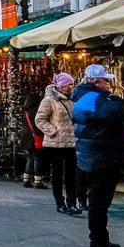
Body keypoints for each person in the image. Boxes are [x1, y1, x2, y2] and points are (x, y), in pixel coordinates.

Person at [71, 63, 124, 247]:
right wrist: (118, 101)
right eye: (105, 81)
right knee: (99, 201)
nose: (107, 85)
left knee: (99, 200)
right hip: (101, 157)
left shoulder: (84, 97)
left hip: (95, 155)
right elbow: (117, 112)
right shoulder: (94, 99)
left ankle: (100, 238)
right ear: (96, 82)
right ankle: (98, 241)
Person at [34, 72, 79, 215]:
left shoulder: (72, 100)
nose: (71, 87)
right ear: (60, 85)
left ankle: (72, 203)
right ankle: (60, 202)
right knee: (58, 174)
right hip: (54, 144)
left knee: (72, 174)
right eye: (68, 84)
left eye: (72, 84)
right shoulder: (49, 101)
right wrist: (52, 131)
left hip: (71, 143)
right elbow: (40, 119)